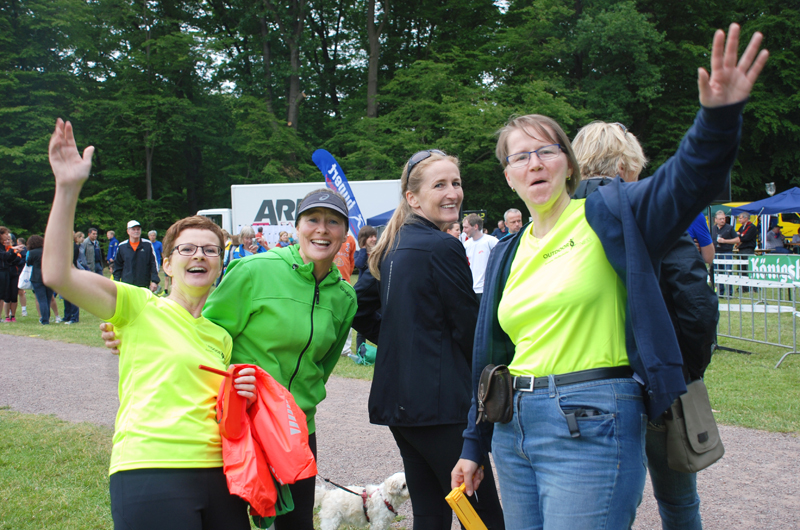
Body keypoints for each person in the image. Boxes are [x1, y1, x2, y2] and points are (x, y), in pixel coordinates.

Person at [451, 24, 767, 530]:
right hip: (513, 428)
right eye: (520, 156)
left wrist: (718, 117)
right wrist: (474, 442)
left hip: (590, 419)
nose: (534, 163)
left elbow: (687, 180)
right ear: (507, 175)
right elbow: (490, 355)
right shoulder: (508, 249)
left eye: (546, 151)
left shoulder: (613, 214)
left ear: (569, 164)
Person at [44, 118, 257, 530]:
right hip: (150, 467)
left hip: (222, 474)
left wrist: (242, 392)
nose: (200, 255)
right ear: (168, 264)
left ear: (220, 265)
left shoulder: (221, 336)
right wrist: (67, 188)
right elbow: (57, 273)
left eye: (210, 250)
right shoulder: (138, 306)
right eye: (187, 249)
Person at [104, 189, 357, 530]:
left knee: (296, 524)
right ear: (297, 227)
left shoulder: (344, 297)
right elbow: (197, 328)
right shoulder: (254, 270)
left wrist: (298, 402)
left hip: (296, 427)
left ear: (345, 232)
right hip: (245, 423)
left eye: (333, 222)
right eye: (312, 219)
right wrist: (135, 331)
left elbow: (323, 366)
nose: (322, 229)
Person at [571, 119, 719, 530]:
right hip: (651, 382)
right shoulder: (649, 212)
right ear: (624, 167)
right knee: (678, 501)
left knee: (599, 505)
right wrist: (685, 370)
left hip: (582, 387)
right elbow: (696, 304)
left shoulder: (558, 220)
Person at [353, 150, 505, 530]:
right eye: (440, 185)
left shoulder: (391, 243)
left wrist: (404, 340)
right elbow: (470, 331)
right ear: (413, 198)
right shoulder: (441, 245)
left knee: (431, 513)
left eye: (456, 182)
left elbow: (360, 308)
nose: (453, 192)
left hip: (403, 406)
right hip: (441, 407)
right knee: (482, 516)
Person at [113, 220, 160, 291]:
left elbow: (153, 263)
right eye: (133, 229)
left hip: (143, 284)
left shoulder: (147, 244)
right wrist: (116, 282)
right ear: (128, 231)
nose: (136, 231)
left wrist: (154, 281)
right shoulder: (122, 246)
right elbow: (118, 266)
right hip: (127, 284)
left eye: (138, 229)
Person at [353, 225, 378, 356]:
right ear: (364, 239)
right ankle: (360, 351)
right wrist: (363, 249)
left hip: (377, 294)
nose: (374, 239)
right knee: (361, 326)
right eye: (370, 237)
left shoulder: (378, 253)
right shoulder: (359, 253)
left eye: (375, 236)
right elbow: (359, 264)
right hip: (364, 293)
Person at [462, 213, 498, 302]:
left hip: (487, 289)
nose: (463, 230)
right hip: (471, 289)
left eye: (466, 227)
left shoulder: (491, 241)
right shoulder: (466, 245)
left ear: (475, 226)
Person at [0, 228, 25, 322]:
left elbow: (8, 259)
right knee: (2, 295)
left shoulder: (3, 246)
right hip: (1, 271)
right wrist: (12, 249)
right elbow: (3, 256)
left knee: (2, 295)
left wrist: (16, 253)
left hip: (6, 271)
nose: (7, 237)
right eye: (6, 234)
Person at [711, 211, 736, 296]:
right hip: (716, 253)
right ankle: (720, 292)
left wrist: (725, 241)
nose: (722, 220)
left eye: (723, 219)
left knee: (728, 272)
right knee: (718, 273)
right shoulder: (712, 228)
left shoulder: (729, 228)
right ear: (716, 220)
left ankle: (729, 293)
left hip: (727, 252)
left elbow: (737, 240)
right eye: (720, 219)